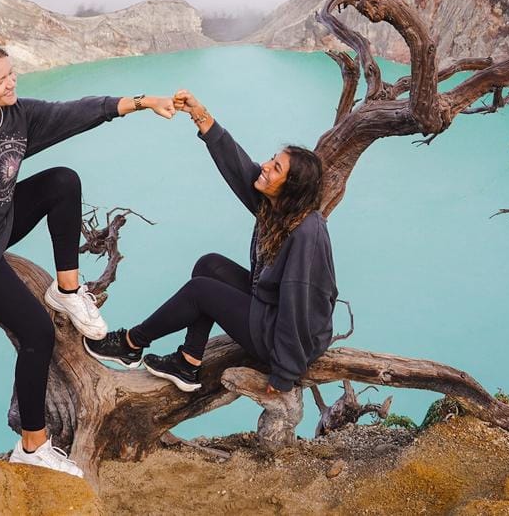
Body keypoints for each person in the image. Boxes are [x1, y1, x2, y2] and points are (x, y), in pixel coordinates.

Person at [0, 41, 176, 478]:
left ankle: (67, 289)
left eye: (12, 73)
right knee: (37, 332)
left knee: (62, 181)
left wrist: (143, 102)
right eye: (0, 79)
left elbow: (77, 112)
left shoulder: (17, 116)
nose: (12, 81)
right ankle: (32, 444)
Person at [83, 88, 337, 400]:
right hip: (270, 311)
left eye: (276, 168)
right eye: (272, 160)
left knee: (201, 291)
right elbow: (239, 167)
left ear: (292, 188)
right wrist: (200, 115)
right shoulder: (278, 208)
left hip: (287, 340)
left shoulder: (307, 232)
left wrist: (285, 372)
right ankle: (188, 363)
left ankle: (131, 344)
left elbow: (302, 305)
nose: (265, 167)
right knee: (209, 265)